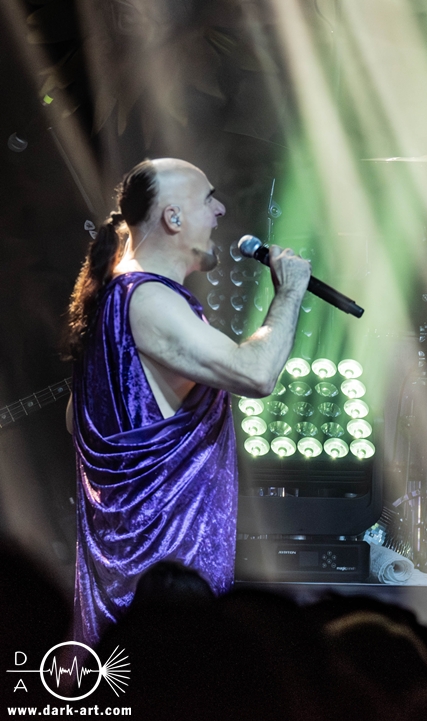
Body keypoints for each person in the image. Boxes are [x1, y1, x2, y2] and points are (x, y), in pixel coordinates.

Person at [64, 158, 311, 643]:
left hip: (131, 584)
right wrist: (290, 293)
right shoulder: (148, 299)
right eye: (208, 199)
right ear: (172, 217)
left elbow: (78, 421)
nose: (220, 211)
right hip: (163, 595)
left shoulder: (113, 299)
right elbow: (256, 373)